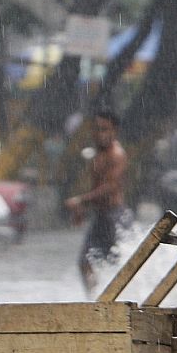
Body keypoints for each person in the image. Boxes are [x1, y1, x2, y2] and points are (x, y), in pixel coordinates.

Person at [65, 111, 131, 293]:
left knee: (122, 263)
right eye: (96, 129)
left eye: (104, 129)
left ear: (114, 131)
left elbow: (110, 187)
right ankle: (95, 301)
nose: (99, 134)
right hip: (101, 216)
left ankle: (123, 299)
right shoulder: (96, 155)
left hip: (115, 217)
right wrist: (82, 209)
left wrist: (81, 200)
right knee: (85, 262)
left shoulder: (116, 155)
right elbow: (97, 187)